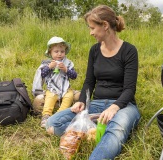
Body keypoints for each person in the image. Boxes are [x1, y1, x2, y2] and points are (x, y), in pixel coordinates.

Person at [46, 5, 140, 159]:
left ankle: (101, 135)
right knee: (52, 123)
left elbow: (129, 89)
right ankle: (93, 129)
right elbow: (89, 81)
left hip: (123, 106)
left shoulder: (129, 51)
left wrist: (114, 108)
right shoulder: (94, 50)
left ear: (105, 25)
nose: (91, 33)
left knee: (116, 130)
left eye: (92, 28)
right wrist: (82, 101)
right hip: (97, 104)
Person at [32, 36, 77, 127]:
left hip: (65, 89)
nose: (59, 54)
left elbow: (74, 76)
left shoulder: (67, 63)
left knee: (69, 96)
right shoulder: (47, 64)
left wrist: (66, 70)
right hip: (52, 89)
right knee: (49, 98)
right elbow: (42, 75)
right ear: (50, 53)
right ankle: (46, 116)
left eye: (62, 51)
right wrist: (49, 67)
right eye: (56, 52)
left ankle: (60, 115)